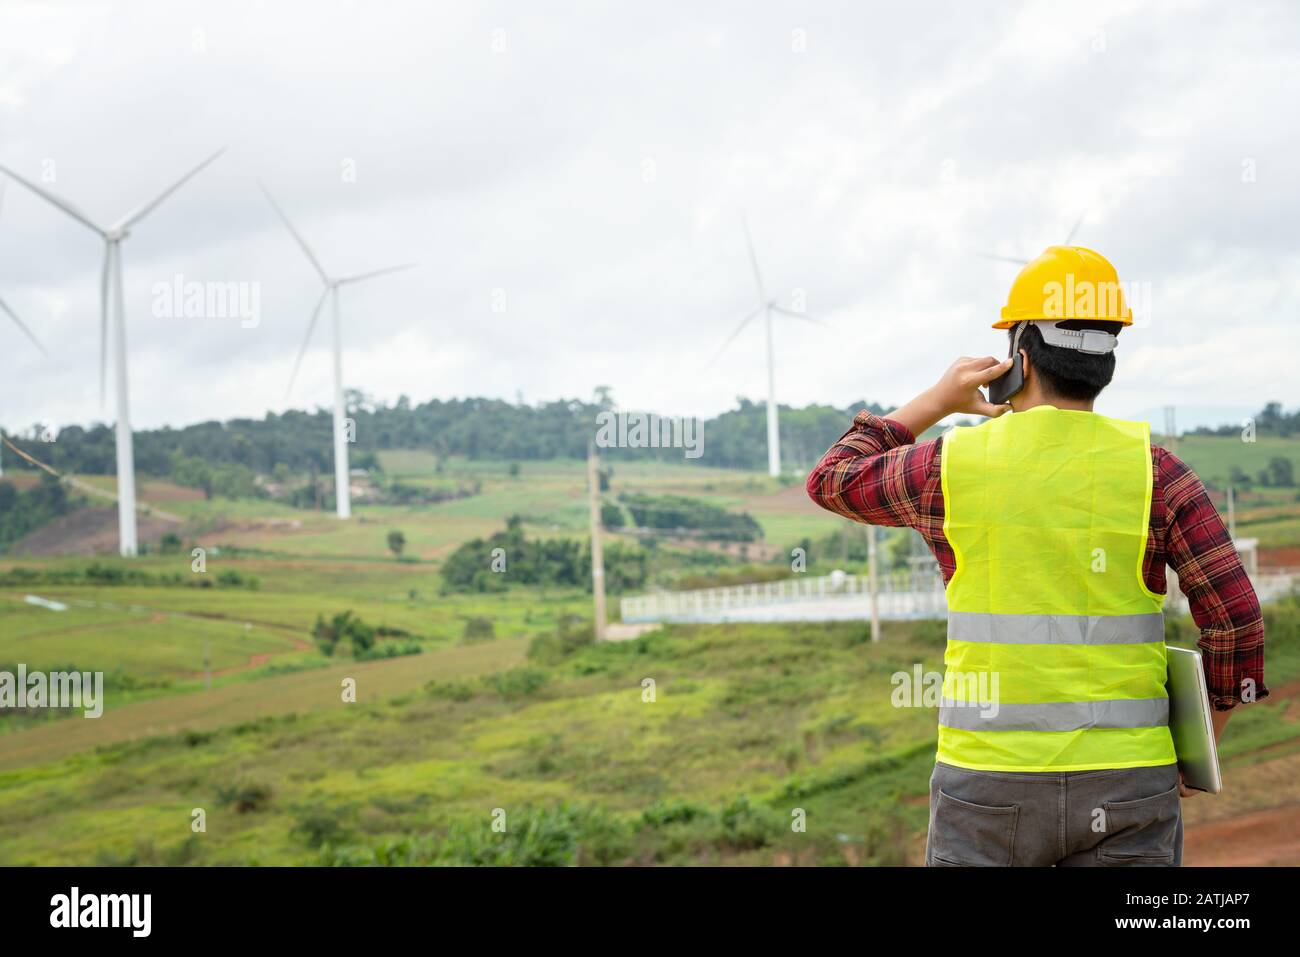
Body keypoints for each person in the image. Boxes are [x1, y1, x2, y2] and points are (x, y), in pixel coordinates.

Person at [805, 246, 1266, 866]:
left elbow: (833, 478)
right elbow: (1236, 621)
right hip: (1130, 787)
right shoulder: (1157, 473)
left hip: (987, 792)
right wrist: (1204, 742)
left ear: (1018, 357)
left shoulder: (952, 466)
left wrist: (937, 401)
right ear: (1107, 361)